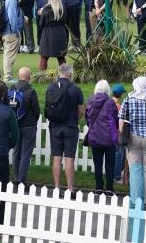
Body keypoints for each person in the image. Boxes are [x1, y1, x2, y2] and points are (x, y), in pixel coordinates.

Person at [120, 76, 146, 205]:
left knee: (135, 169)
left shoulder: (128, 100)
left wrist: (123, 136)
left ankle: (135, 200)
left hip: (132, 137)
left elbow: (121, 122)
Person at [45, 64, 84, 195]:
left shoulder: (51, 87)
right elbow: (81, 110)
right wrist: (75, 120)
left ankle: (56, 187)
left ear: (59, 73)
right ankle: (70, 188)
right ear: (70, 74)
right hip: (70, 126)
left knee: (56, 158)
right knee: (69, 159)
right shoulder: (76, 89)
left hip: (55, 126)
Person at [85, 80, 118, 195]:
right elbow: (115, 119)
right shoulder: (110, 103)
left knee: (97, 163)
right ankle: (109, 188)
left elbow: (88, 118)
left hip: (95, 136)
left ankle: (99, 187)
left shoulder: (90, 101)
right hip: (109, 137)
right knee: (110, 164)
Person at [10, 67, 40, 184]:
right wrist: (33, 121)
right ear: (29, 76)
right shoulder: (31, 92)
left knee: (16, 152)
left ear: (18, 75)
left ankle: (16, 177)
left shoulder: (11, 89)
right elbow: (36, 111)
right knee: (25, 154)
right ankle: (21, 180)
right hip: (28, 126)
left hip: (15, 125)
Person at [37, 0, 68, 71]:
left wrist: (41, 13)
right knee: (61, 57)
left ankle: (41, 75)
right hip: (61, 33)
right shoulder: (62, 8)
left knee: (44, 56)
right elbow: (65, 20)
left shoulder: (46, 9)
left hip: (48, 34)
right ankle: (66, 75)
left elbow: (41, 24)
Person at [1, 0, 25, 81]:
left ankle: (7, 76)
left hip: (7, 31)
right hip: (11, 32)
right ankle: (7, 77)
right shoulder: (12, 0)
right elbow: (12, 17)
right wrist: (16, 31)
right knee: (9, 55)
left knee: (8, 54)